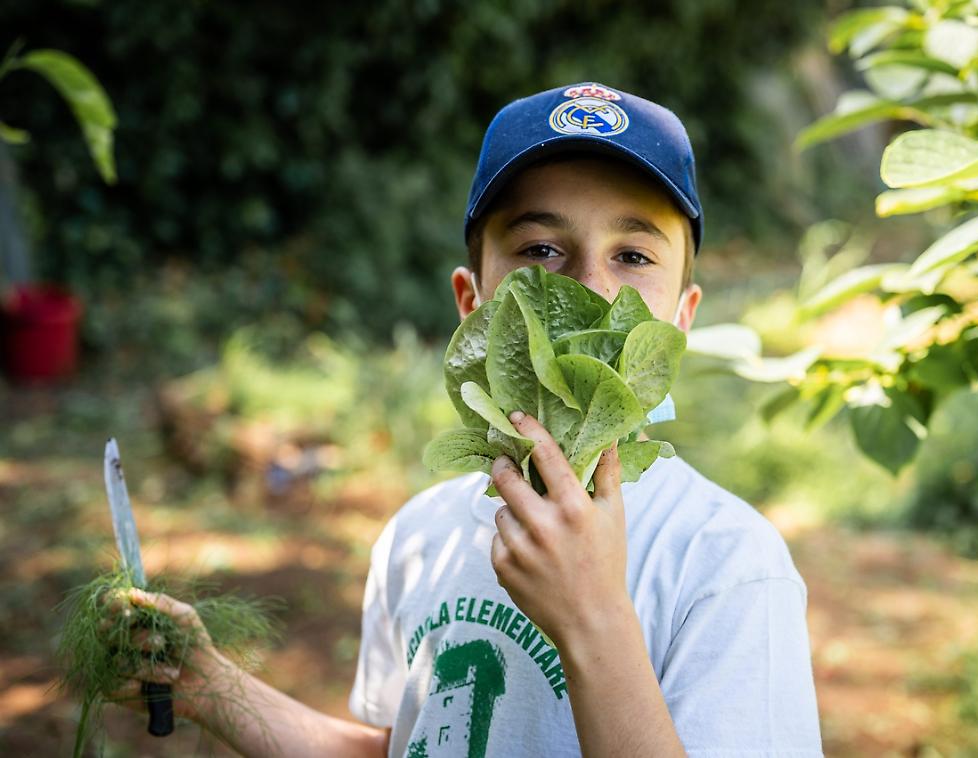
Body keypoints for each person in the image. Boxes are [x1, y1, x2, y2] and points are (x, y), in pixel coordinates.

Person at [120, 82, 824, 757]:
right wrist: (208, 687)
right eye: (541, 249)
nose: (588, 284)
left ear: (682, 318)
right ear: (473, 303)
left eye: (633, 255)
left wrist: (593, 620)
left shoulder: (726, 564)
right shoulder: (417, 539)